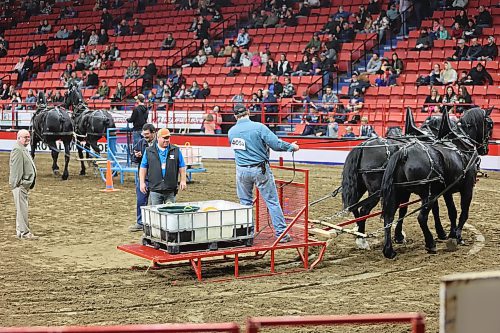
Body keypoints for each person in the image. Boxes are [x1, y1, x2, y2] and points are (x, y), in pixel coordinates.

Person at [228, 105, 299, 242]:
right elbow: (276, 144)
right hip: (259, 169)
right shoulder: (259, 127)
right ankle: (281, 234)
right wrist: (291, 147)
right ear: (248, 112)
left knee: (245, 203)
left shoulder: (231, 132)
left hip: (241, 170)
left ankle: (247, 235)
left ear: (235, 116)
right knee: (272, 201)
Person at [139, 128, 187, 205]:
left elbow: (182, 166)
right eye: (164, 138)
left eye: (168, 138)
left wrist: (183, 180)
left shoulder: (176, 150)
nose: (167, 140)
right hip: (155, 189)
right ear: (158, 138)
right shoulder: (149, 151)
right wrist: (142, 182)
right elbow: (143, 167)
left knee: (170, 213)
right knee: (155, 213)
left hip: (170, 190)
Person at [9, 130, 37, 239]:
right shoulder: (18, 149)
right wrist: (20, 184)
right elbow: (16, 170)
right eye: (25, 137)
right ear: (19, 138)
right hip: (20, 186)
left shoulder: (22, 149)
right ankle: (25, 233)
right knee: (22, 210)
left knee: (21, 209)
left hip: (22, 185)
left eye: (29, 137)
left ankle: (20, 231)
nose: (27, 139)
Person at [129, 123, 156, 232]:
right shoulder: (141, 142)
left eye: (147, 134)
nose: (145, 136)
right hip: (143, 177)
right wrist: (136, 156)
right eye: (144, 134)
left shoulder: (159, 143)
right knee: (141, 200)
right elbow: (133, 157)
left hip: (156, 177)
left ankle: (155, 223)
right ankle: (140, 222)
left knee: (156, 202)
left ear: (153, 133)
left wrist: (143, 153)